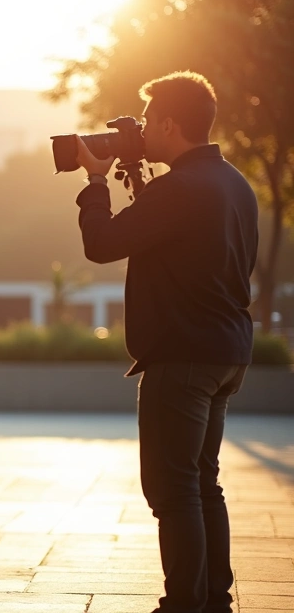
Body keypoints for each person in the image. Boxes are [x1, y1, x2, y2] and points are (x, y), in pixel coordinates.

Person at [73, 70, 258, 613]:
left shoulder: (180, 189)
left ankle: (183, 605)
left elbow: (103, 244)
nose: (144, 132)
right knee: (203, 483)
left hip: (182, 357)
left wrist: (95, 182)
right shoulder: (233, 183)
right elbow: (178, 242)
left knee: (172, 489)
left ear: (171, 123)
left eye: (151, 121)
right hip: (226, 352)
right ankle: (213, 601)